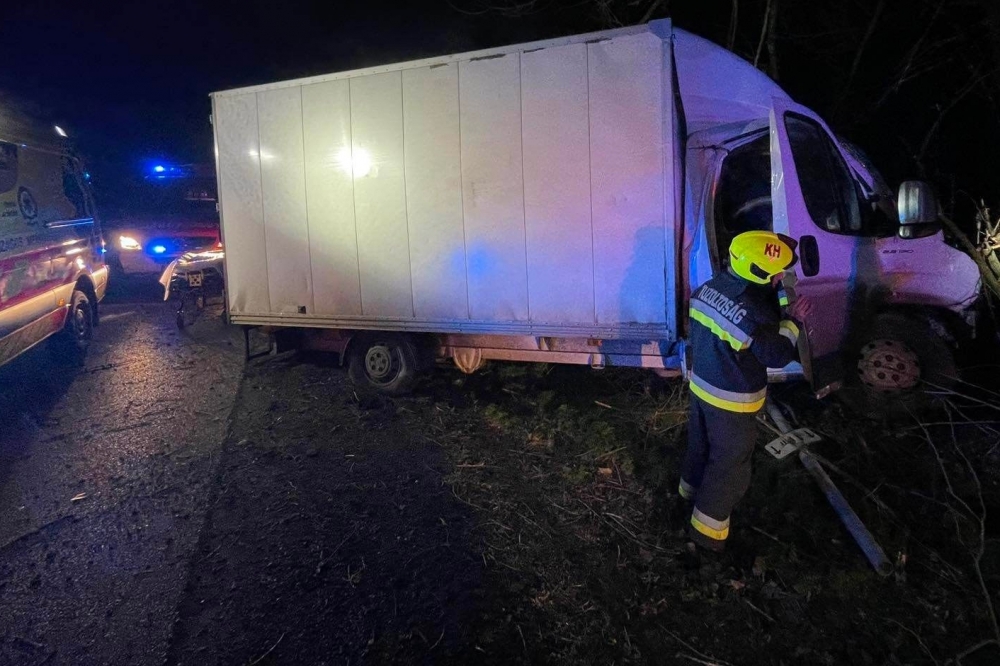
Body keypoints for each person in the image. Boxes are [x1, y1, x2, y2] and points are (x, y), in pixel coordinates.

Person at [679, 230, 811, 553]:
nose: (781, 276)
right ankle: (705, 538)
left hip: (700, 389)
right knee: (729, 467)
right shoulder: (753, 315)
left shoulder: (705, 290)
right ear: (758, 273)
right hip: (731, 403)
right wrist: (794, 321)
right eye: (776, 273)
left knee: (701, 447)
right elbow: (776, 354)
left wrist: (777, 292)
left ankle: (686, 494)